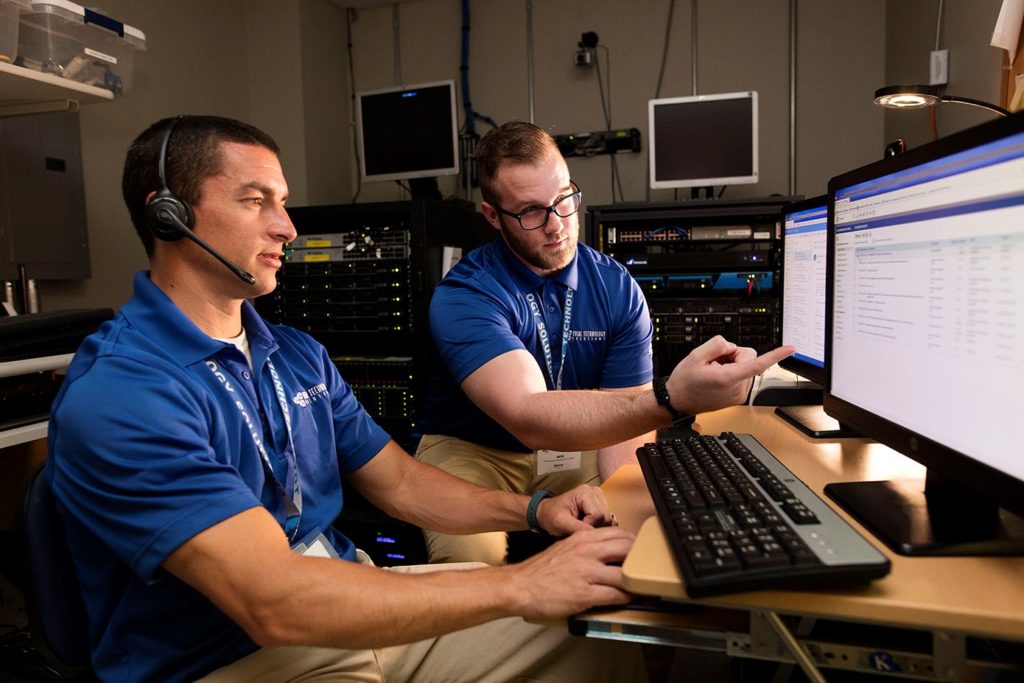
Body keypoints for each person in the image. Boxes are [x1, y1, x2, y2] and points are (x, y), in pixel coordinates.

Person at [46, 115, 650, 683]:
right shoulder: (124, 392)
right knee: (542, 599)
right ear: (169, 216)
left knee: (605, 629)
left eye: (282, 202)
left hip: (347, 598)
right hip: (236, 657)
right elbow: (273, 601)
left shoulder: (294, 353)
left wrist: (534, 513)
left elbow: (403, 485)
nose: (286, 226)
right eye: (256, 201)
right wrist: (523, 584)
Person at [415, 120, 794, 565]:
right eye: (531, 211)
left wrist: (624, 527)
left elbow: (625, 427)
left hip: (574, 449)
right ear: (493, 217)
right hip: (474, 452)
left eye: (563, 199)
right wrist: (672, 397)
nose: (556, 225)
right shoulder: (466, 295)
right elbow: (528, 417)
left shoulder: (616, 288)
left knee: (642, 535)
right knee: (471, 572)